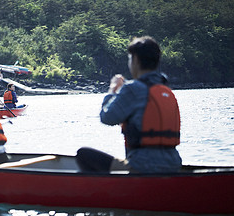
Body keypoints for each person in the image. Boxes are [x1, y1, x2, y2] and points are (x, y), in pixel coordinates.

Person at [76, 36, 182, 173]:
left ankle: (107, 193)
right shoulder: (166, 90)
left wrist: (112, 89)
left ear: (136, 60)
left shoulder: (132, 89)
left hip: (142, 167)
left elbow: (106, 117)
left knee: (83, 155)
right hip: (173, 164)